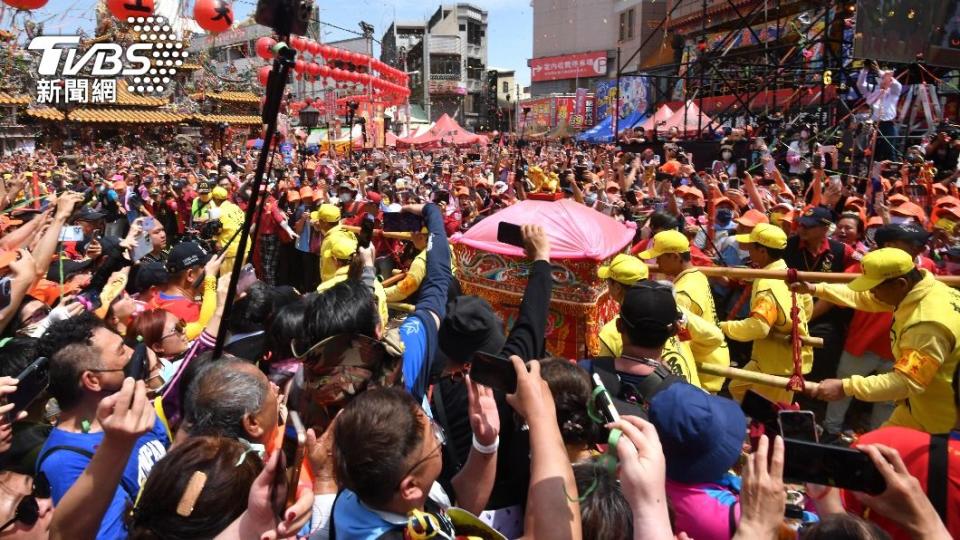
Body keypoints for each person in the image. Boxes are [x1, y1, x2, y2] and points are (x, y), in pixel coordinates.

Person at [794, 247, 960, 434]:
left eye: (875, 287)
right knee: (872, 448)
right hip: (918, 407)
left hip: (939, 422)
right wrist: (815, 289)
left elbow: (907, 381)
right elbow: (865, 298)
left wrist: (845, 386)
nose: (871, 293)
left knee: (877, 454)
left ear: (901, 283)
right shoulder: (928, 289)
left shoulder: (927, 325)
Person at [37, 313, 170, 539]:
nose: (133, 354)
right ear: (93, 380)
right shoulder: (65, 463)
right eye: (122, 351)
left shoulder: (132, 409)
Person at [721, 223, 813, 404]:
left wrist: (722, 327)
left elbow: (758, 327)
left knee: (774, 412)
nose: (749, 252)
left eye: (752, 248)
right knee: (737, 387)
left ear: (762, 251)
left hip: (778, 362)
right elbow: (807, 309)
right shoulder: (789, 273)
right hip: (770, 358)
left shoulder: (767, 284)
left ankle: (762, 430)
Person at [640, 230, 731, 392]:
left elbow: (678, 337)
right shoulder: (697, 275)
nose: (657, 262)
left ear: (675, 257)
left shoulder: (682, 294)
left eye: (660, 257)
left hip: (704, 358)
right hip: (715, 352)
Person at [857, 61, 903, 162]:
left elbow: (894, 82)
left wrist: (878, 71)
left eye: (888, 76)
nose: (885, 77)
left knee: (889, 151)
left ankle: (891, 174)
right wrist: (865, 70)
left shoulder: (894, 91)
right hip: (873, 125)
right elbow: (860, 84)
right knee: (871, 152)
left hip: (888, 125)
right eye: (883, 75)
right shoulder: (873, 91)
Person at [313, 203, 353, 284]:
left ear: (325, 223)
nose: (317, 222)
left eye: (319, 220)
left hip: (333, 287)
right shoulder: (347, 232)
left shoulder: (331, 240)